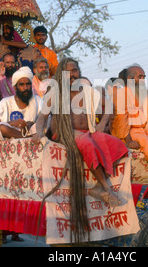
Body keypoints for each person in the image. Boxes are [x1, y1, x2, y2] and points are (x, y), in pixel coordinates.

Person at [32, 58, 128, 243]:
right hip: (66, 134)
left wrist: (102, 124)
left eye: (75, 71)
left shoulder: (86, 91)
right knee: (86, 143)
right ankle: (105, 187)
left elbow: (108, 107)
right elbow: (42, 118)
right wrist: (39, 133)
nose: (73, 75)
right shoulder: (55, 93)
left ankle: (99, 188)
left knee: (118, 145)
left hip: (89, 131)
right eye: (68, 72)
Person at [111, 64, 148, 166]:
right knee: (146, 141)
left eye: (144, 77)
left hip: (146, 129)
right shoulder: (121, 94)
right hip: (130, 131)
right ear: (129, 79)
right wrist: (129, 140)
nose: (142, 80)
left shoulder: (145, 93)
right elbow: (120, 120)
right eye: (139, 77)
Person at [0, 66, 42, 140]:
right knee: (1, 127)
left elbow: (45, 121)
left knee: (43, 124)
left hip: (31, 133)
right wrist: (11, 123)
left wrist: (31, 124)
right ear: (15, 87)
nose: (26, 88)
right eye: (22, 84)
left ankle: (27, 137)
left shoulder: (38, 100)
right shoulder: (5, 102)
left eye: (28, 84)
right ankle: (25, 138)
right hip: (11, 135)